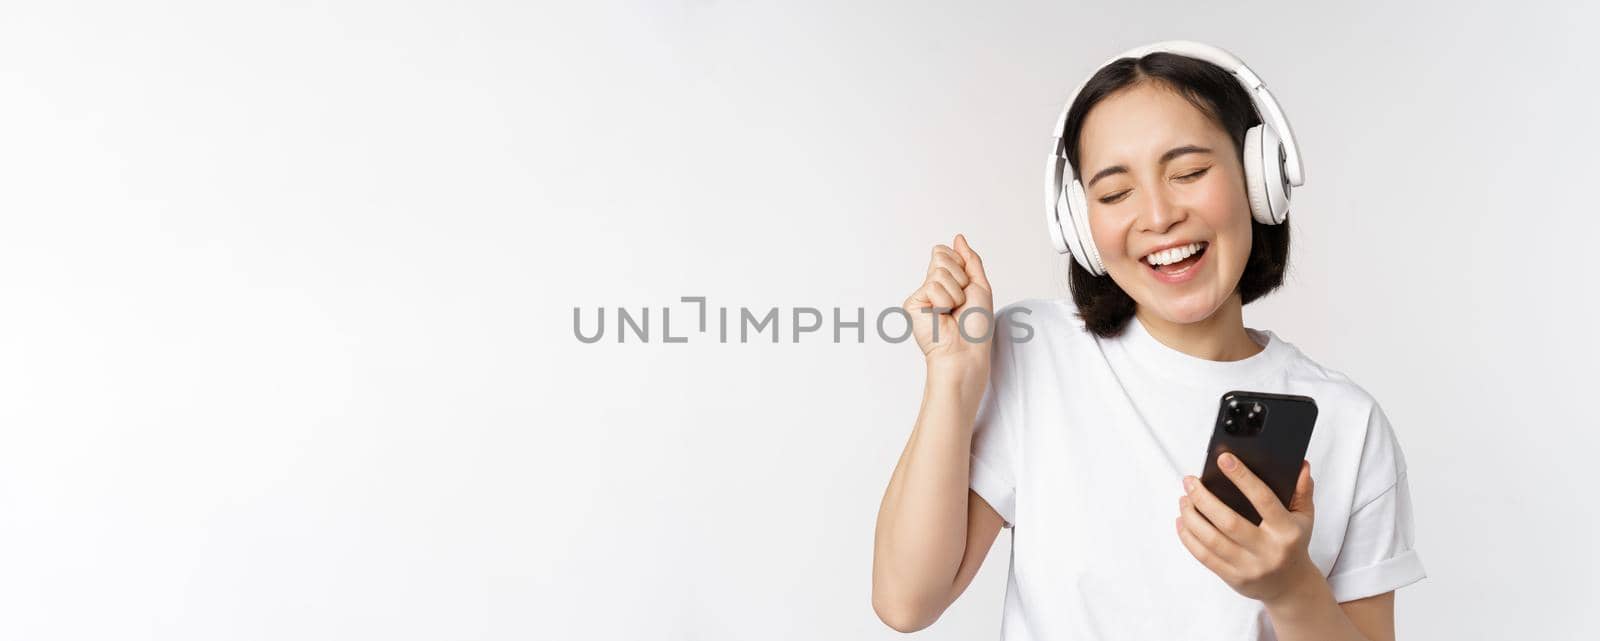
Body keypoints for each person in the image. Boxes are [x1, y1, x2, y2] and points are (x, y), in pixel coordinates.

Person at [870, 46, 1425, 641]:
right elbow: (907, 603)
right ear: (1079, 226)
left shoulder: (1350, 422)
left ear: (1258, 180)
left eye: (1188, 173)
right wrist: (952, 380)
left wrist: (1291, 590)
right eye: (1114, 194)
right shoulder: (1036, 356)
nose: (1158, 216)